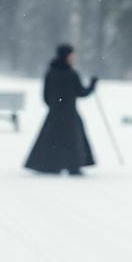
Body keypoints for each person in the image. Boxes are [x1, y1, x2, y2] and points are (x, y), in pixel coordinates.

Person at [25, 44, 97, 176]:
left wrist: (54, 106)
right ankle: (73, 165)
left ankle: (49, 165)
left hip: (55, 113)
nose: (73, 58)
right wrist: (92, 85)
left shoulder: (51, 72)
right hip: (69, 113)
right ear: (66, 56)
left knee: (52, 140)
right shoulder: (71, 73)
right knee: (72, 141)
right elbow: (81, 92)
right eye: (72, 55)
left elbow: (45, 95)